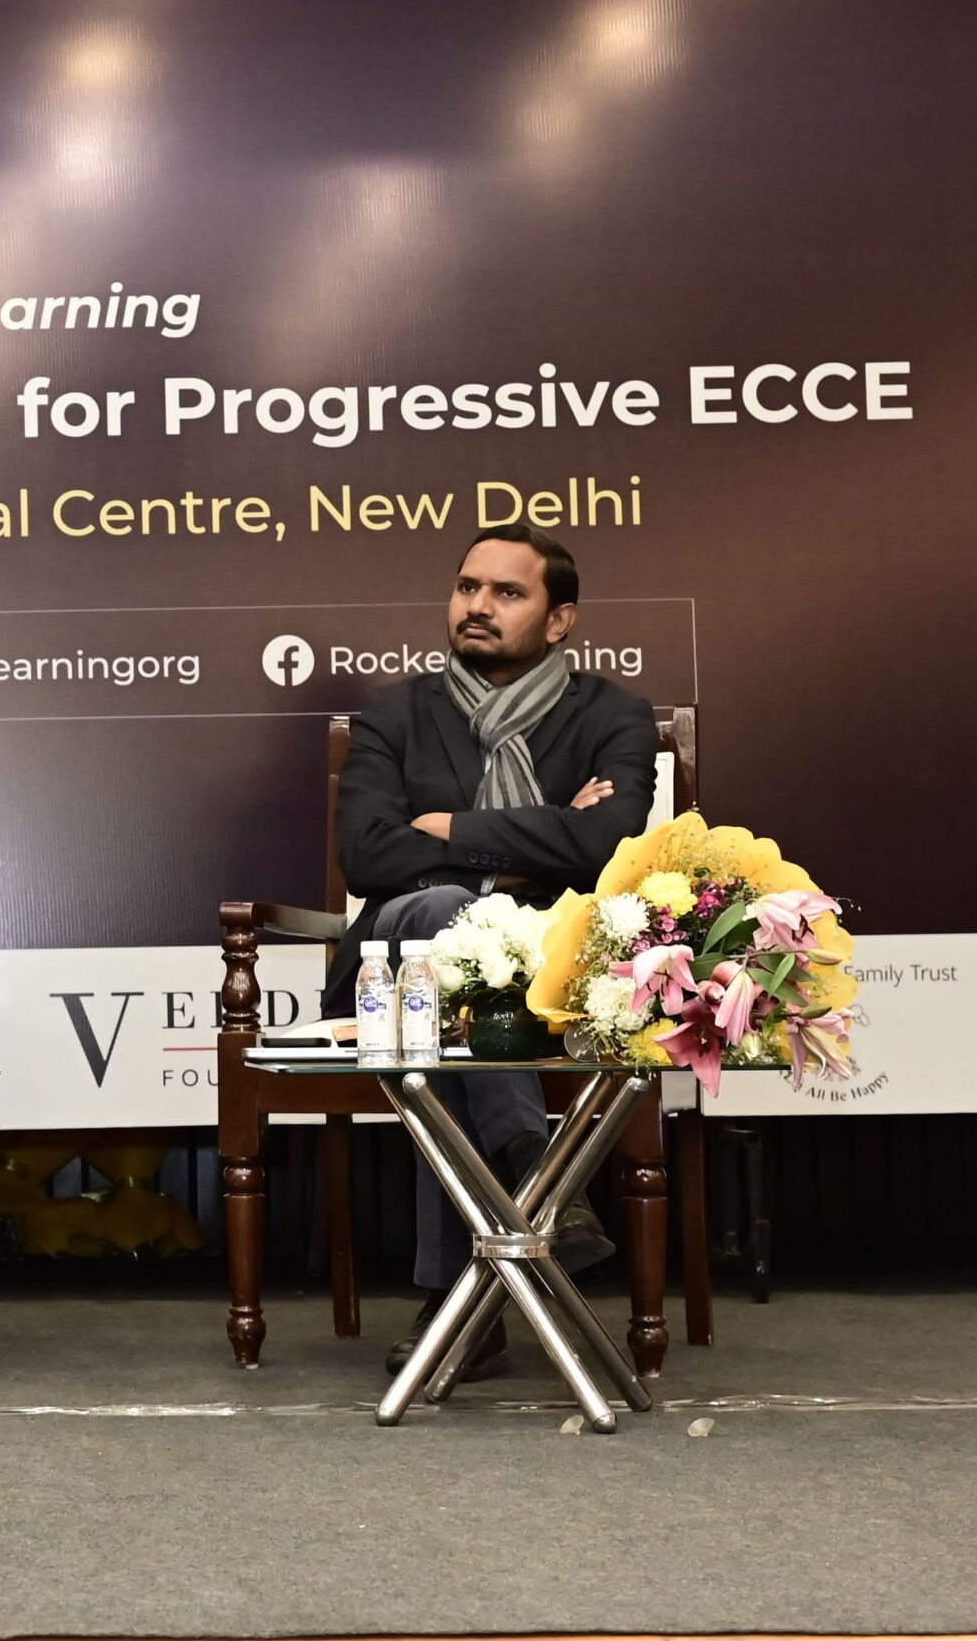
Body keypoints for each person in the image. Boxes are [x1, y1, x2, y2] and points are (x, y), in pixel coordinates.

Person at [325, 523, 655, 1380]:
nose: (478, 605)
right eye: (468, 586)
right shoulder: (394, 713)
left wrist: (449, 829)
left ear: (559, 619)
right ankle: (534, 1170)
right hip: (390, 972)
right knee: (440, 923)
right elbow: (367, 856)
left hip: (551, 968)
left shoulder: (612, 716)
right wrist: (535, 842)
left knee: (446, 969)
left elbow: (608, 848)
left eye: (508, 592)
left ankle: (457, 1302)